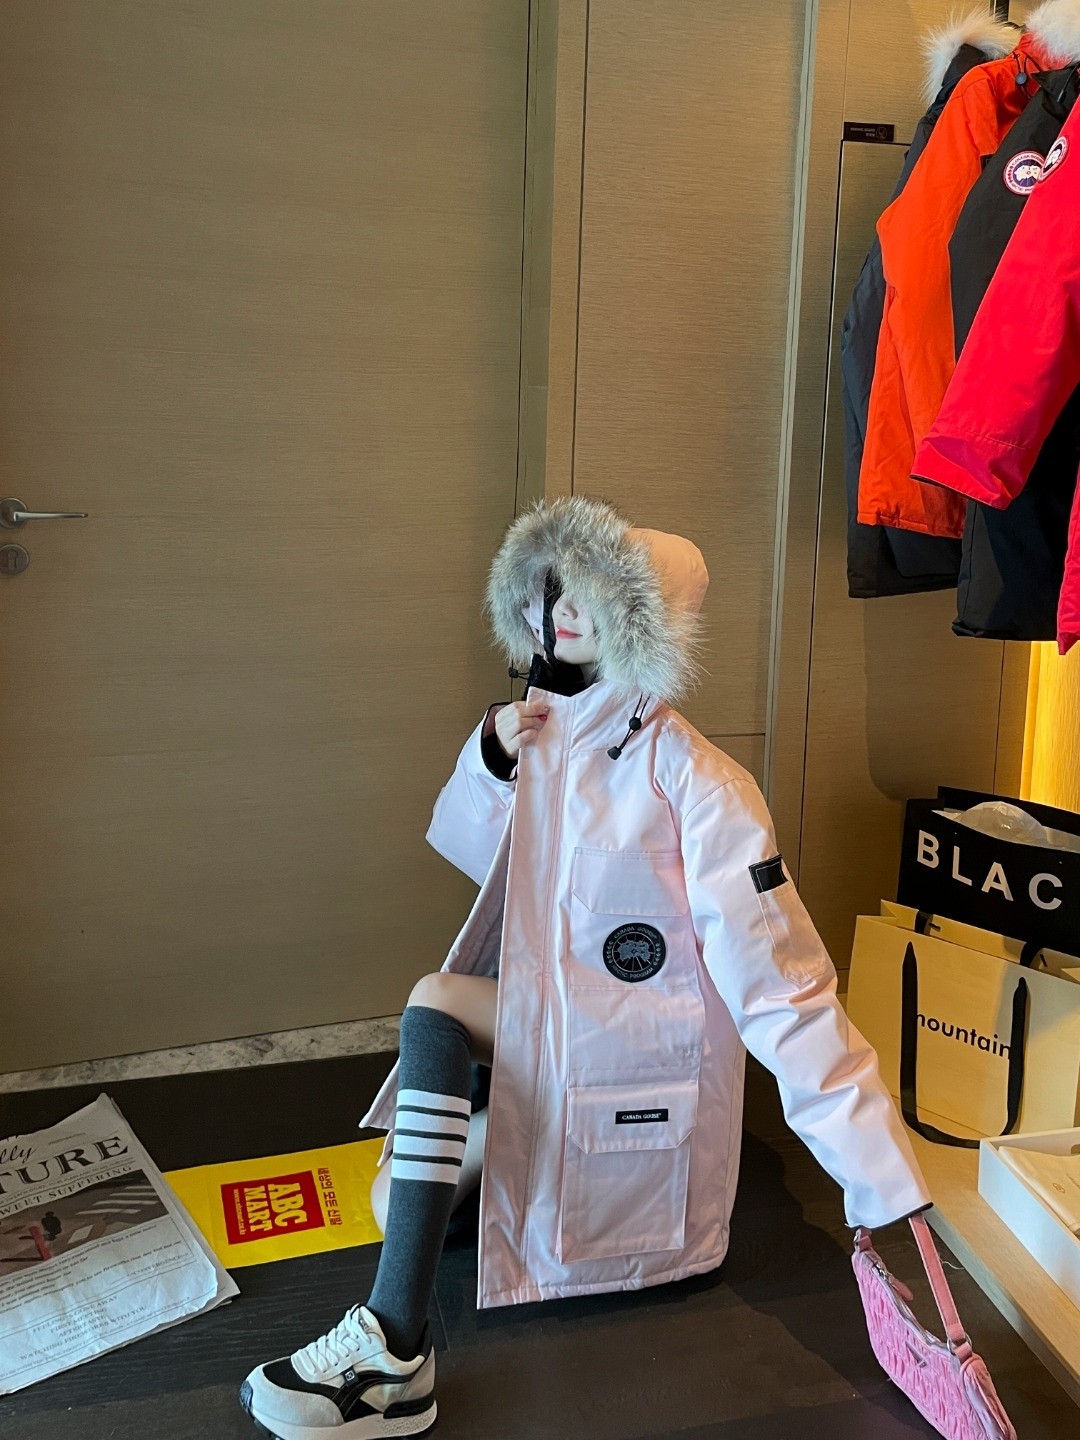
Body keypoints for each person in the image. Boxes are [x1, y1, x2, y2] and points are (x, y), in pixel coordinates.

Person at [241, 496, 931, 1439]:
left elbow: (783, 987)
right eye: (557, 587)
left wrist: (881, 1175)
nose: (567, 609)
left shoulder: (699, 781)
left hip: (638, 1058)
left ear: (648, 619)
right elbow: (478, 860)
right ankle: (464, 1202)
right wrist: (492, 757)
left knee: (435, 1008)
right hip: (569, 1021)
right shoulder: (549, 738)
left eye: (598, 593)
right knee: (390, 1196)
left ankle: (396, 1349)